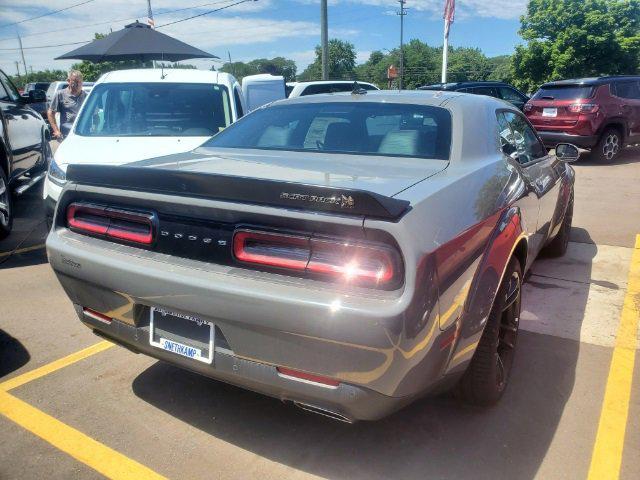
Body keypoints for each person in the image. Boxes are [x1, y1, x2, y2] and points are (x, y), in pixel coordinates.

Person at [47, 70, 87, 140]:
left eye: (80, 82)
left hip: (84, 133)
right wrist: (56, 131)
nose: (78, 84)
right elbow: (50, 113)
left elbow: (95, 114)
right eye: (75, 81)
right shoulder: (60, 94)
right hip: (67, 135)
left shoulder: (86, 96)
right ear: (68, 81)